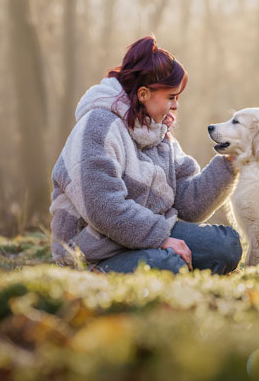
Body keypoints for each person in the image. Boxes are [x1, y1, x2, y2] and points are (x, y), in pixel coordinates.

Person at [49, 35, 241, 274]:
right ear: (143, 94)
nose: (176, 106)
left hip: (147, 235)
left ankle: (158, 263)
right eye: (171, 97)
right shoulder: (97, 127)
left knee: (226, 245)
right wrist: (161, 240)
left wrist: (231, 163)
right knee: (171, 262)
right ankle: (96, 275)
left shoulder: (159, 134)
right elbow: (104, 207)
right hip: (92, 248)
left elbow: (190, 204)